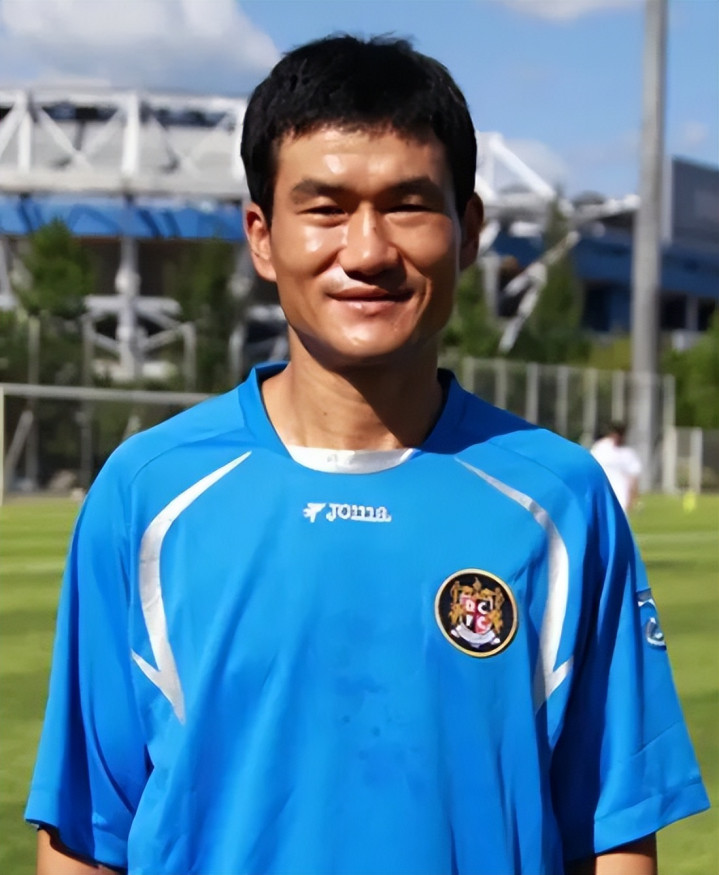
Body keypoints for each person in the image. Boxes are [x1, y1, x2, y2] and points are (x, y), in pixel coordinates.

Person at [26, 35, 708, 875]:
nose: (368, 250)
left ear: (467, 231)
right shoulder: (147, 490)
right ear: (261, 236)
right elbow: (86, 832)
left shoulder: (562, 498)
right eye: (324, 208)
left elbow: (612, 834)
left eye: (408, 205)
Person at [591, 422, 642, 514]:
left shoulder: (628, 453)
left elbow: (633, 476)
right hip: (603, 489)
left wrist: (633, 496)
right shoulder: (600, 448)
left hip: (621, 492)